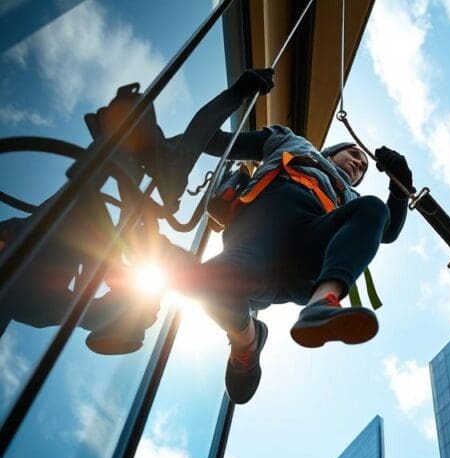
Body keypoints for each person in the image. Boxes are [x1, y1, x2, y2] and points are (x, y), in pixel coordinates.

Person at [138, 68, 415, 404]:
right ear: (331, 152)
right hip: (257, 239)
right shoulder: (291, 142)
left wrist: (400, 187)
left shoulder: (351, 199)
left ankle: (322, 303)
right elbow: (217, 142)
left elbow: (388, 231)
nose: (359, 161)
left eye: (362, 165)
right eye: (353, 154)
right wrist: (238, 93)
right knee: (209, 283)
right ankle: (246, 342)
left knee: (373, 208)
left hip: (307, 251)